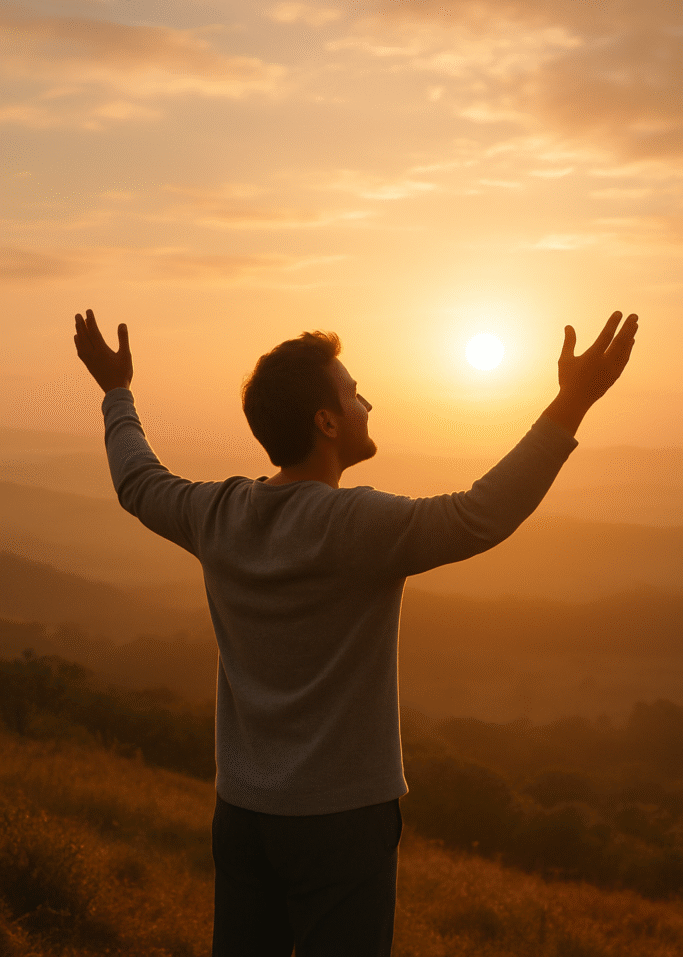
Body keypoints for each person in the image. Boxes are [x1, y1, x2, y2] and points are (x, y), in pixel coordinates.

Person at [73, 307, 638, 956]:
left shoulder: (217, 512)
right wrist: (571, 402)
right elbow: (482, 514)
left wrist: (116, 392)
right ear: (326, 422)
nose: (366, 401)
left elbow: (137, 482)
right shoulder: (356, 523)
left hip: (243, 814)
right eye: (353, 392)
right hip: (342, 824)